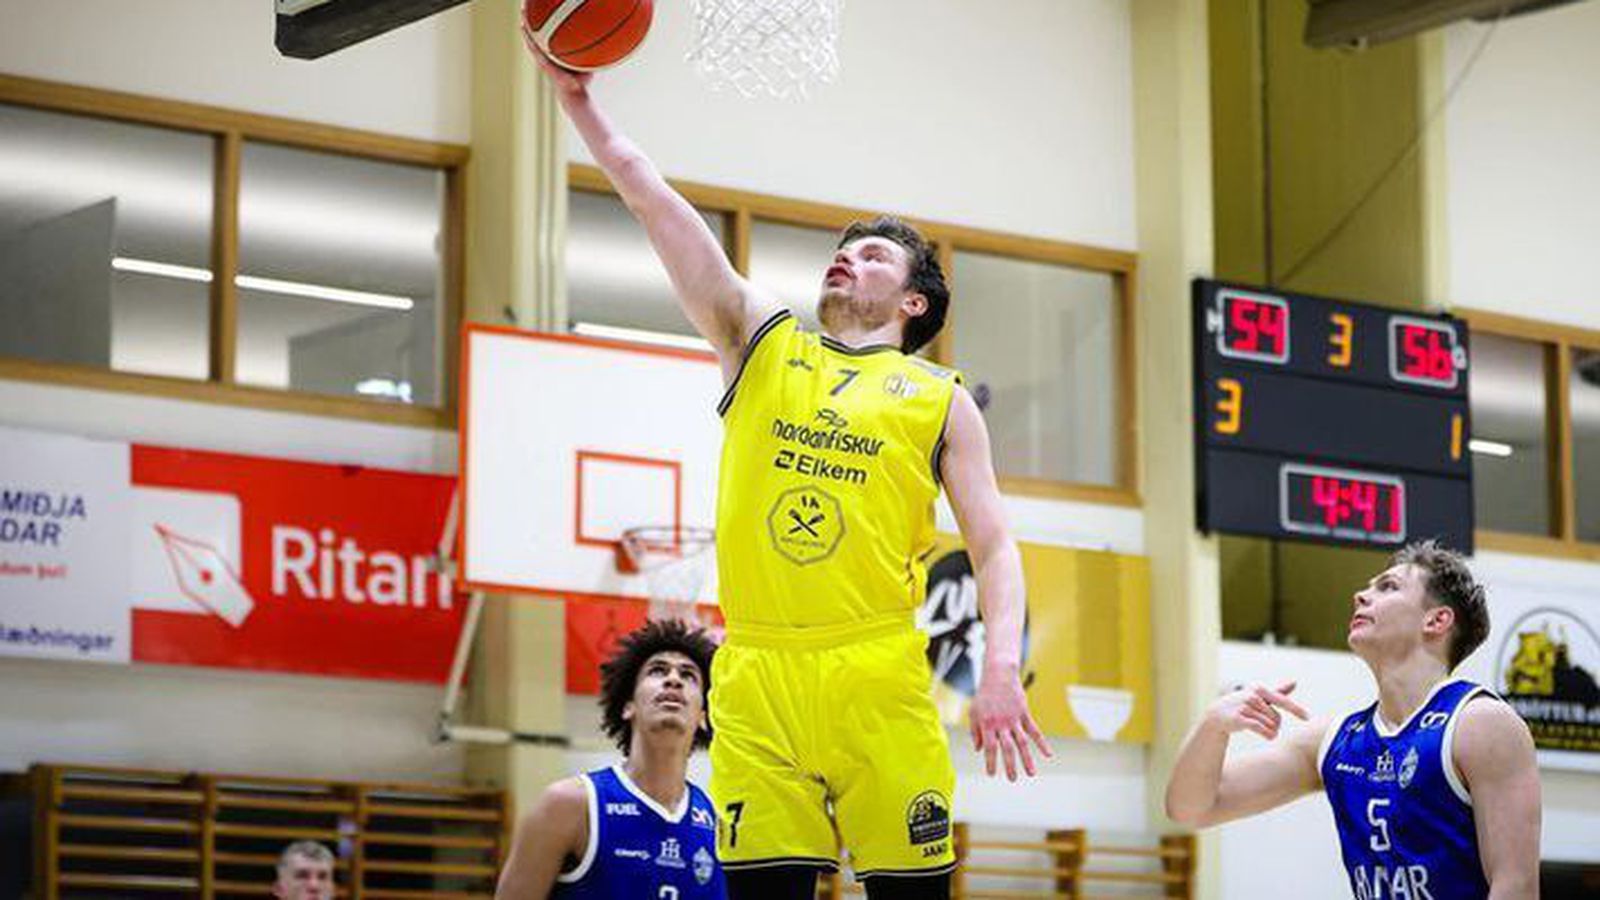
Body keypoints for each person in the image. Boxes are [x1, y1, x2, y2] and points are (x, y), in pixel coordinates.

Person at [523, 32, 1049, 900]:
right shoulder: (763, 343)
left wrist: (998, 669)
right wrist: (581, 105)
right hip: (757, 671)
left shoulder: (940, 400)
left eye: (874, 255)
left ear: (913, 301)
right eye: (844, 248)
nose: (848, 256)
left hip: (876, 669)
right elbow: (657, 206)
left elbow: (994, 547)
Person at [1165, 541, 1541, 899]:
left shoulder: (1480, 723)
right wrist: (1212, 726)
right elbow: (1191, 808)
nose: (1360, 595)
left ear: (1436, 620)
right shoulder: (1334, 741)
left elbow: (1516, 887)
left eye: (1388, 587)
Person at [496, 620, 724, 899]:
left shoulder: (719, 824)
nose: (674, 679)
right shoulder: (569, 805)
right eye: (658, 670)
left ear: (703, 716)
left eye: (688, 675)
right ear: (628, 706)